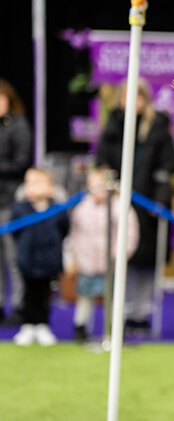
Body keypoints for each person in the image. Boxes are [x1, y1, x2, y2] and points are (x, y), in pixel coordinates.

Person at [95, 78, 174, 333]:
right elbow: (102, 163)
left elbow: (167, 167)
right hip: (119, 203)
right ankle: (123, 311)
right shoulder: (112, 127)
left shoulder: (158, 127)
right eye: (126, 98)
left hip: (149, 203)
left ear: (145, 99)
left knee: (146, 260)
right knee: (122, 258)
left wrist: (161, 201)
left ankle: (141, 312)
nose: (132, 103)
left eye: (137, 97)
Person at [64, 167, 139, 341]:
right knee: (84, 295)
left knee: (114, 297)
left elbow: (130, 233)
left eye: (101, 186)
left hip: (111, 263)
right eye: (93, 186)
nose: (97, 191)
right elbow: (74, 234)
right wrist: (73, 256)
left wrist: (120, 255)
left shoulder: (120, 208)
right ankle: (81, 326)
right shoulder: (82, 209)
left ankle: (116, 329)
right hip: (86, 262)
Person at [10, 168, 69, 345]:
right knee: (28, 294)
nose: (32, 187)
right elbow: (16, 233)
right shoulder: (20, 208)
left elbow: (64, 229)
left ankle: (43, 325)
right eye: (29, 183)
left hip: (50, 262)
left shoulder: (58, 209)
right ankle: (28, 325)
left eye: (37, 183)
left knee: (45, 295)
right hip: (27, 262)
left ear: (50, 188)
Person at [0, 79, 32, 326]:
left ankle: (21, 307)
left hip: (10, 201)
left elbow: (22, 162)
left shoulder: (18, 126)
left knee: (14, 257)